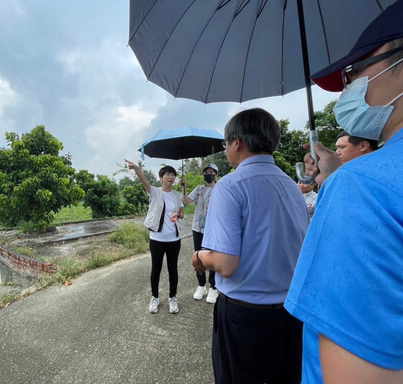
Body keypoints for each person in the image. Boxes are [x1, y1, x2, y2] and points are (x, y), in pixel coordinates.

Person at [285, 2, 403, 382]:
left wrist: (342, 181)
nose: (349, 88)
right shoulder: (363, 179)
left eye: (353, 72)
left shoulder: (361, 189)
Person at [192, 108, 309, 384]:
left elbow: (225, 263)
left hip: (245, 317)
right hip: (291, 315)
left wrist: (200, 256)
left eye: (226, 144)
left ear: (238, 143)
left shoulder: (231, 186)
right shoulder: (292, 187)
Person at [125, 160, 184, 315]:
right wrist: (137, 169)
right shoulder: (155, 192)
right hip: (157, 239)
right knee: (156, 269)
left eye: (173, 175)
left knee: (173, 270)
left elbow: (182, 213)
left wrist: (178, 214)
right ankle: (155, 298)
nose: (171, 177)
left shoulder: (177, 196)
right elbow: (144, 181)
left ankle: (172, 298)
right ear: (161, 178)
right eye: (167, 174)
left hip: (173, 240)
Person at [181, 163, 219, 303]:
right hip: (197, 228)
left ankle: (213, 288)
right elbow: (186, 201)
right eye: (206, 172)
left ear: (216, 175)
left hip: (213, 229)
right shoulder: (198, 189)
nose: (208, 174)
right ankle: (201, 285)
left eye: (211, 172)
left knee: (213, 257)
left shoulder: (220, 189)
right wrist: (183, 187)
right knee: (198, 257)